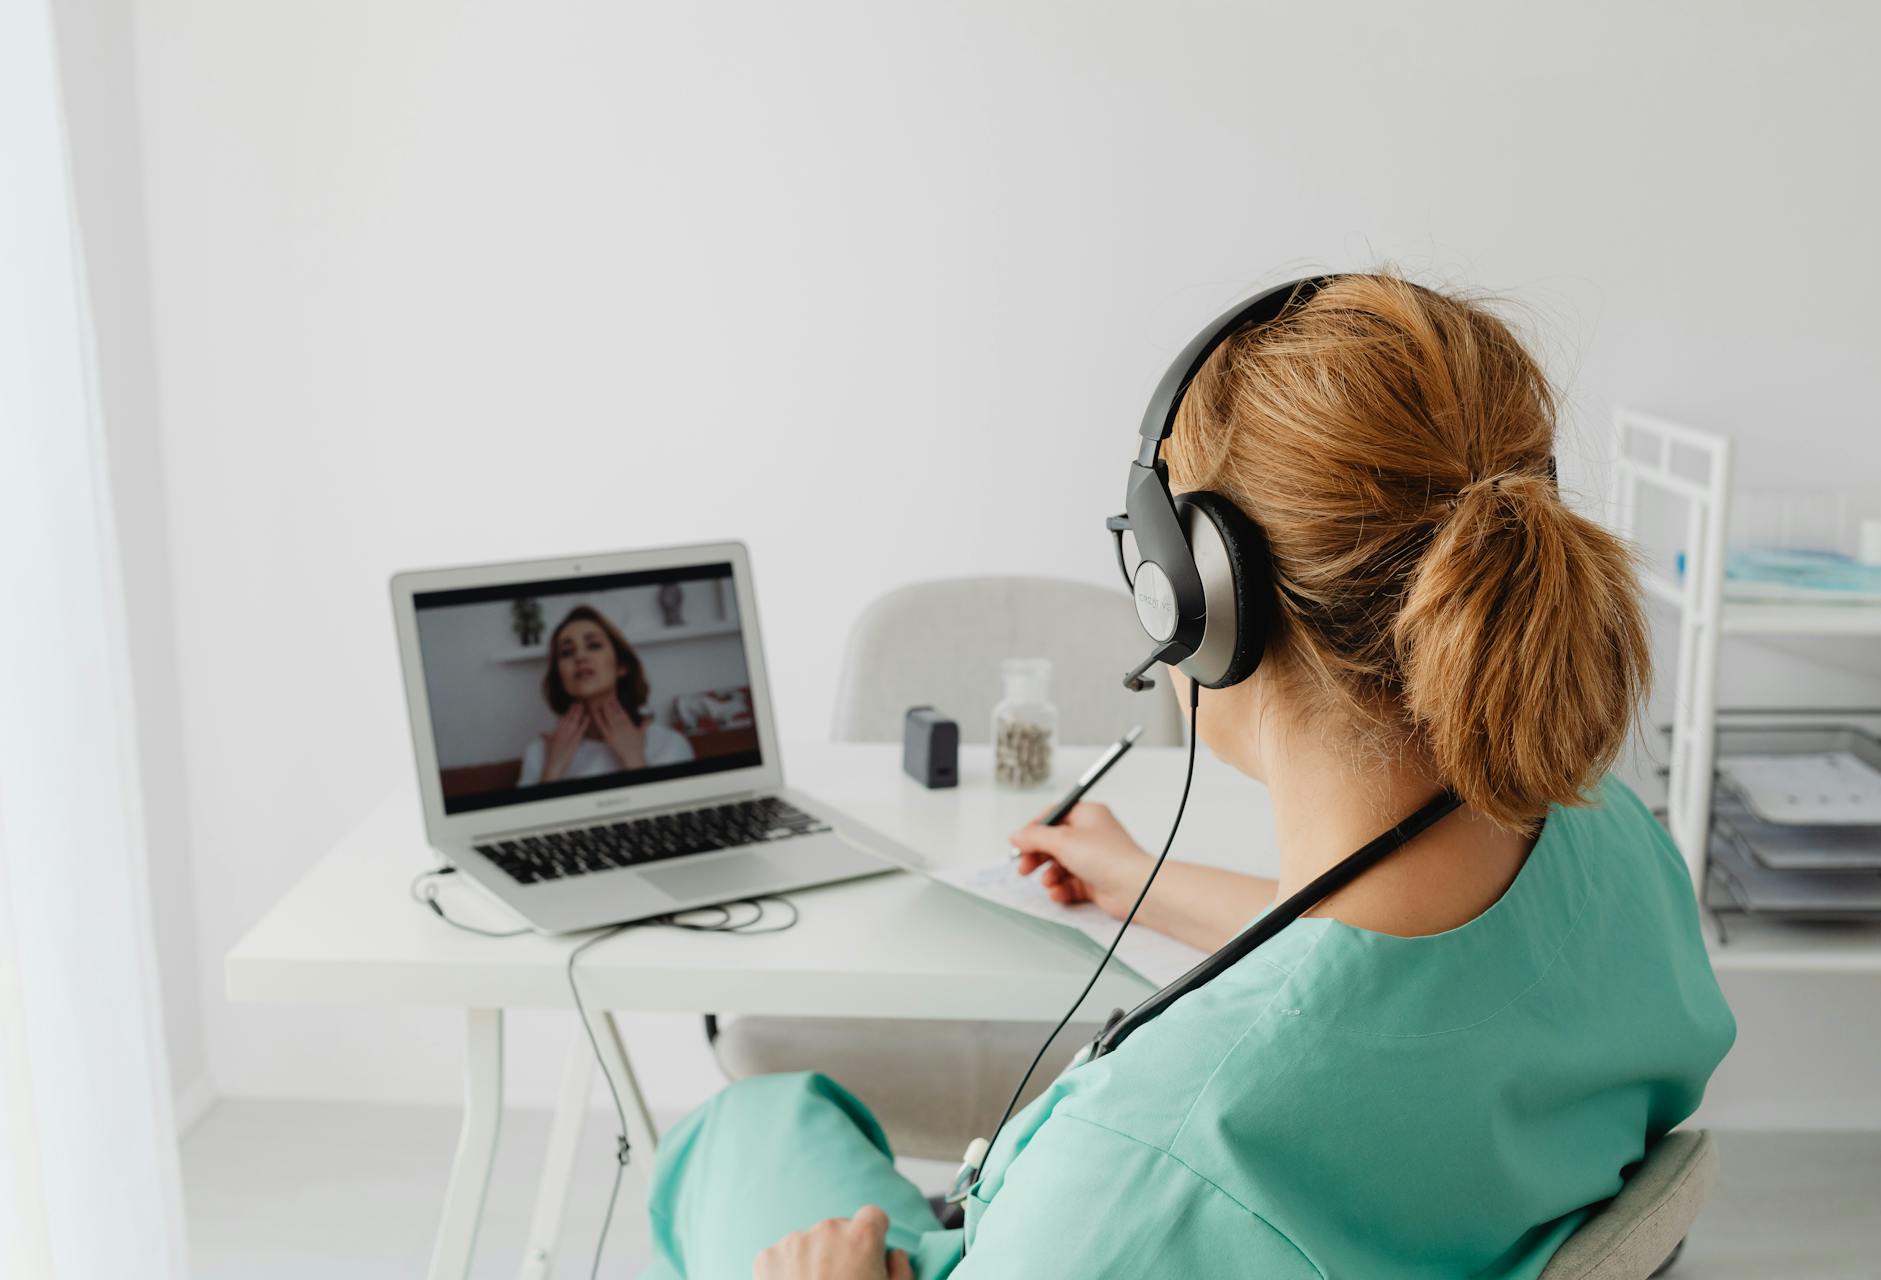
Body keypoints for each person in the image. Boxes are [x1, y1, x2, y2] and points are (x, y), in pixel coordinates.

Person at [641, 274, 1736, 1278]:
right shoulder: (1617, 852)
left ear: (1203, 603)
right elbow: (1398, 984)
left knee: (737, 1130)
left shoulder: (1150, 1158)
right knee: (776, 1117)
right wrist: (1136, 878)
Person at [518, 604, 694, 785]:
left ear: (621, 666)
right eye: (567, 652)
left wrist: (635, 761)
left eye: (593, 645)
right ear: (559, 676)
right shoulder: (539, 754)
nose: (580, 657)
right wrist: (553, 770)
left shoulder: (670, 745)